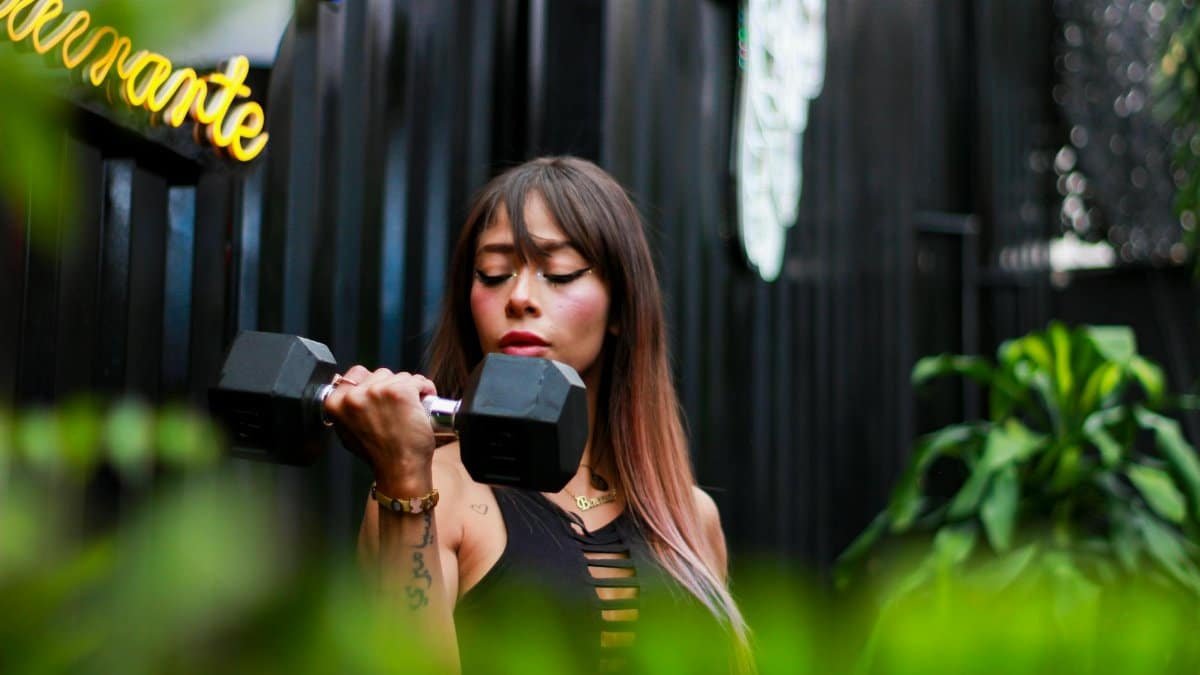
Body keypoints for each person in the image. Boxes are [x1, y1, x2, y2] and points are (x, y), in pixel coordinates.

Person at [324, 156, 752, 673]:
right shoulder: (435, 492)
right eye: (495, 273)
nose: (520, 297)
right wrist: (401, 475)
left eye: (560, 273)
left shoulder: (688, 515)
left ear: (620, 307)